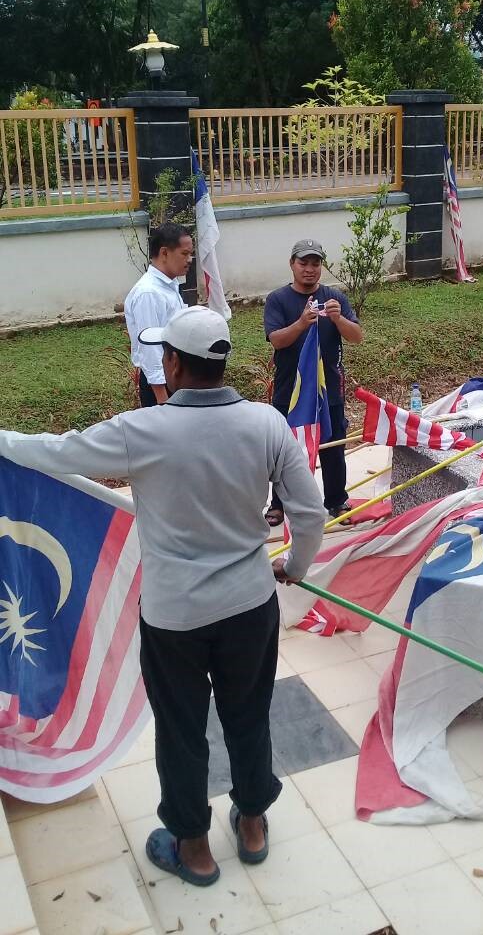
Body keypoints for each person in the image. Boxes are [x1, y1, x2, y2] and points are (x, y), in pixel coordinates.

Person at [0, 306, 325, 886]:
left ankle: (193, 849)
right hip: (250, 606)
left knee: (181, 729)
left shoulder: (141, 431)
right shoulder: (267, 424)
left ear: (173, 363)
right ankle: (252, 825)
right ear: (222, 362)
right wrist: (295, 567)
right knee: (249, 715)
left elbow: (57, 452)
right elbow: (310, 512)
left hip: (175, 618)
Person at [263, 239, 363, 526]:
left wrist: (338, 319)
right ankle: (279, 504)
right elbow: (276, 340)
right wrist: (301, 323)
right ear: (292, 264)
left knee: (333, 446)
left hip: (328, 388)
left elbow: (357, 336)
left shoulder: (334, 298)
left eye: (315, 263)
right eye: (303, 263)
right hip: (290, 391)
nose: (309, 269)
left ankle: (336, 500)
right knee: (284, 449)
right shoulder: (278, 299)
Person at [124, 221, 193, 406]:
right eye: (184, 254)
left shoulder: (169, 285)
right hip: (161, 387)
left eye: (191, 254)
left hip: (177, 377)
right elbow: (150, 348)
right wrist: (162, 399)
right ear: (164, 253)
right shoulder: (148, 293)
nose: (189, 260)